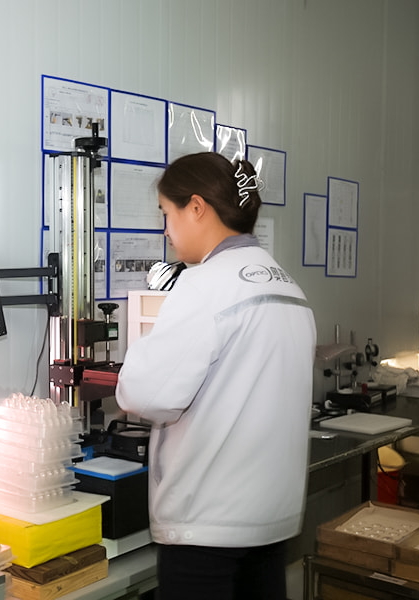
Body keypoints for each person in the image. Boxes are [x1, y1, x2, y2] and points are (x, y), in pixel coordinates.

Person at [115, 152, 316, 599]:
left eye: (166, 214)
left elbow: (145, 393)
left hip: (207, 525)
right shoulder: (288, 286)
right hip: (271, 521)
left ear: (196, 208)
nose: (166, 231)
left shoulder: (204, 285)